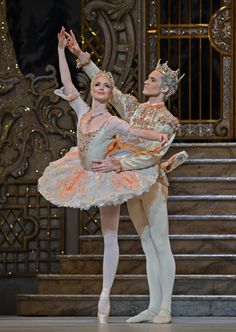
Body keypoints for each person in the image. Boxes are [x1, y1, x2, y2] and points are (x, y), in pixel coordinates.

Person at [38, 27, 169, 324]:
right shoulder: (81, 109)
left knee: (110, 236)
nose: (101, 87)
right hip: (80, 172)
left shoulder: (111, 120)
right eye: (98, 83)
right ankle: (105, 294)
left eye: (106, 86)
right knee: (105, 235)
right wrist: (61, 50)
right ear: (92, 87)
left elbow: (134, 131)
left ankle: (105, 294)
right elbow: (67, 82)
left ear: (110, 94)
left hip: (105, 177)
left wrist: (156, 136)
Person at [64, 29, 187, 324]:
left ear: (166, 89)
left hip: (152, 181)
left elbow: (152, 155)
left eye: (153, 79)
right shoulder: (134, 109)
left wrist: (118, 166)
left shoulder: (168, 121)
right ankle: (153, 305)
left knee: (160, 242)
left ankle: (166, 307)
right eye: (149, 77)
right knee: (145, 243)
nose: (147, 81)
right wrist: (80, 55)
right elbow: (109, 88)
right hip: (131, 183)